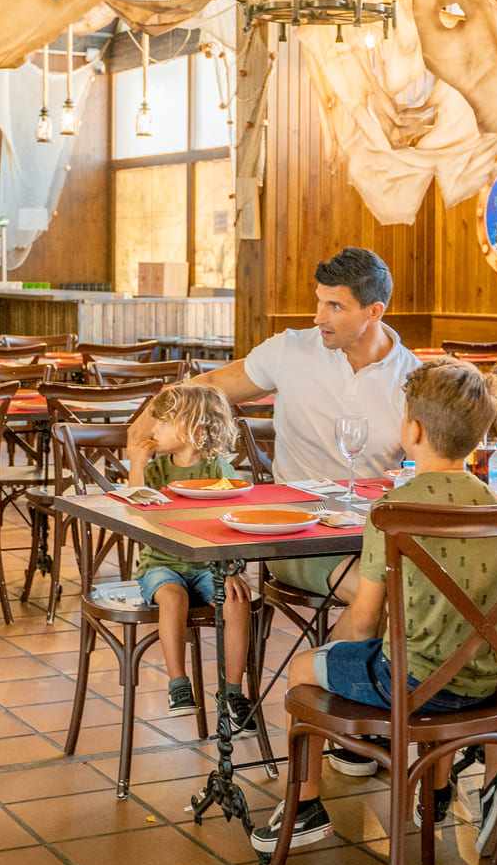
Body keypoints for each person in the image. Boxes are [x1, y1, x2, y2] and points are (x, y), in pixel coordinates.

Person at [250, 361, 497, 855]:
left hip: (414, 685)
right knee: (434, 647)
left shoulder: (393, 510)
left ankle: (304, 806)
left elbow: (365, 618)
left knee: (306, 668)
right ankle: (438, 790)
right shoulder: (496, 503)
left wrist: (335, 653)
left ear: (413, 430)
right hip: (487, 680)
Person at [138, 247, 420, 602]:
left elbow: (422, 470)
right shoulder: (290, 350)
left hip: (379, 534)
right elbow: (207, 388)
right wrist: (145, 421)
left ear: (374, 311)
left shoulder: (412, 377)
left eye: (335, 306)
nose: (318, 317)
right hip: (295, 535)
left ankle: (356, 638)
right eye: (319, 301)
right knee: (388, 598)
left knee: (425, 594)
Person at [125, 384, 256, 725]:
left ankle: (232, 690)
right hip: (162, 563)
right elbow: (136, 512)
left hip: (209, 564)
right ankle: (178, 684)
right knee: (173, 598)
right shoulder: (156, 471)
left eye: (164, 421)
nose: (154, 428)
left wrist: (231, 570)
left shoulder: (217, 470)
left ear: (193, 428)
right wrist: (136, 464)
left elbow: (232, 521)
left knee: (237, 600)